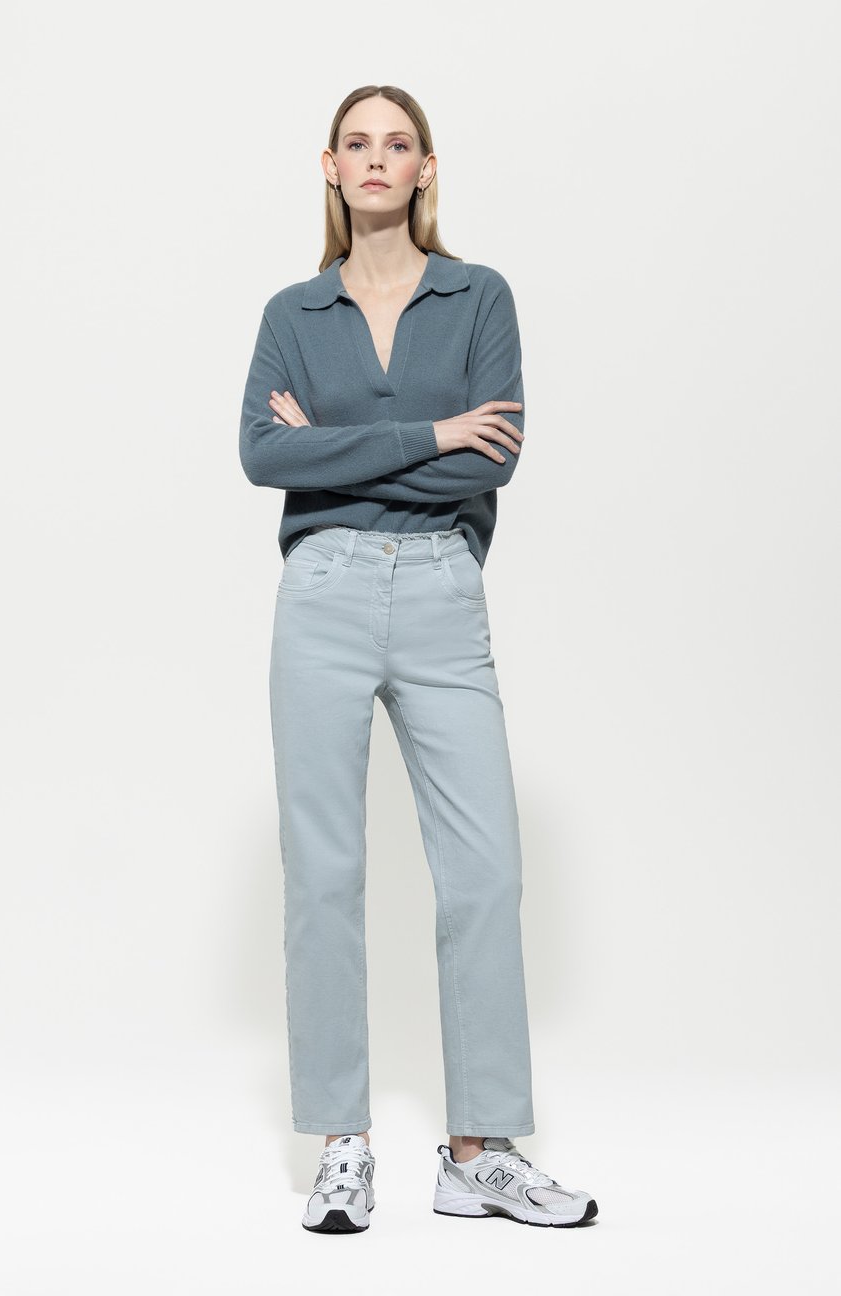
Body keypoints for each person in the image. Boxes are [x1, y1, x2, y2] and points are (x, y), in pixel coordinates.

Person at [239, 84, 598, 1234]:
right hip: (324, 591)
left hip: (445, 591)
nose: (377, 159)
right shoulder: (294, 312)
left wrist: (336, 449)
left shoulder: (478, 296)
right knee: (325, 874)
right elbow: (262, 455)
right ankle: (343, 1145)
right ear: (330, 167)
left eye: (398, 144)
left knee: (485, 871)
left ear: (426, 168)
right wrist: (431, 432)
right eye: (358, 143)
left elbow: (493, 461)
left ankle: (479, 1152)